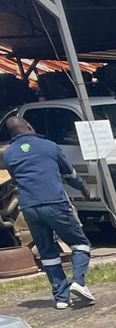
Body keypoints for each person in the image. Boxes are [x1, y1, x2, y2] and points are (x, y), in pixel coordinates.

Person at [1, 114, 94, 311]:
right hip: (54, 203)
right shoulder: (49, 146)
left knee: (47, 252)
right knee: (80, 243)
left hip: (29, 208)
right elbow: (69, 173)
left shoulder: (8, 154)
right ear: (29, 126)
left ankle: (61, 297)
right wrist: (84, 189)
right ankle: (79, 282)